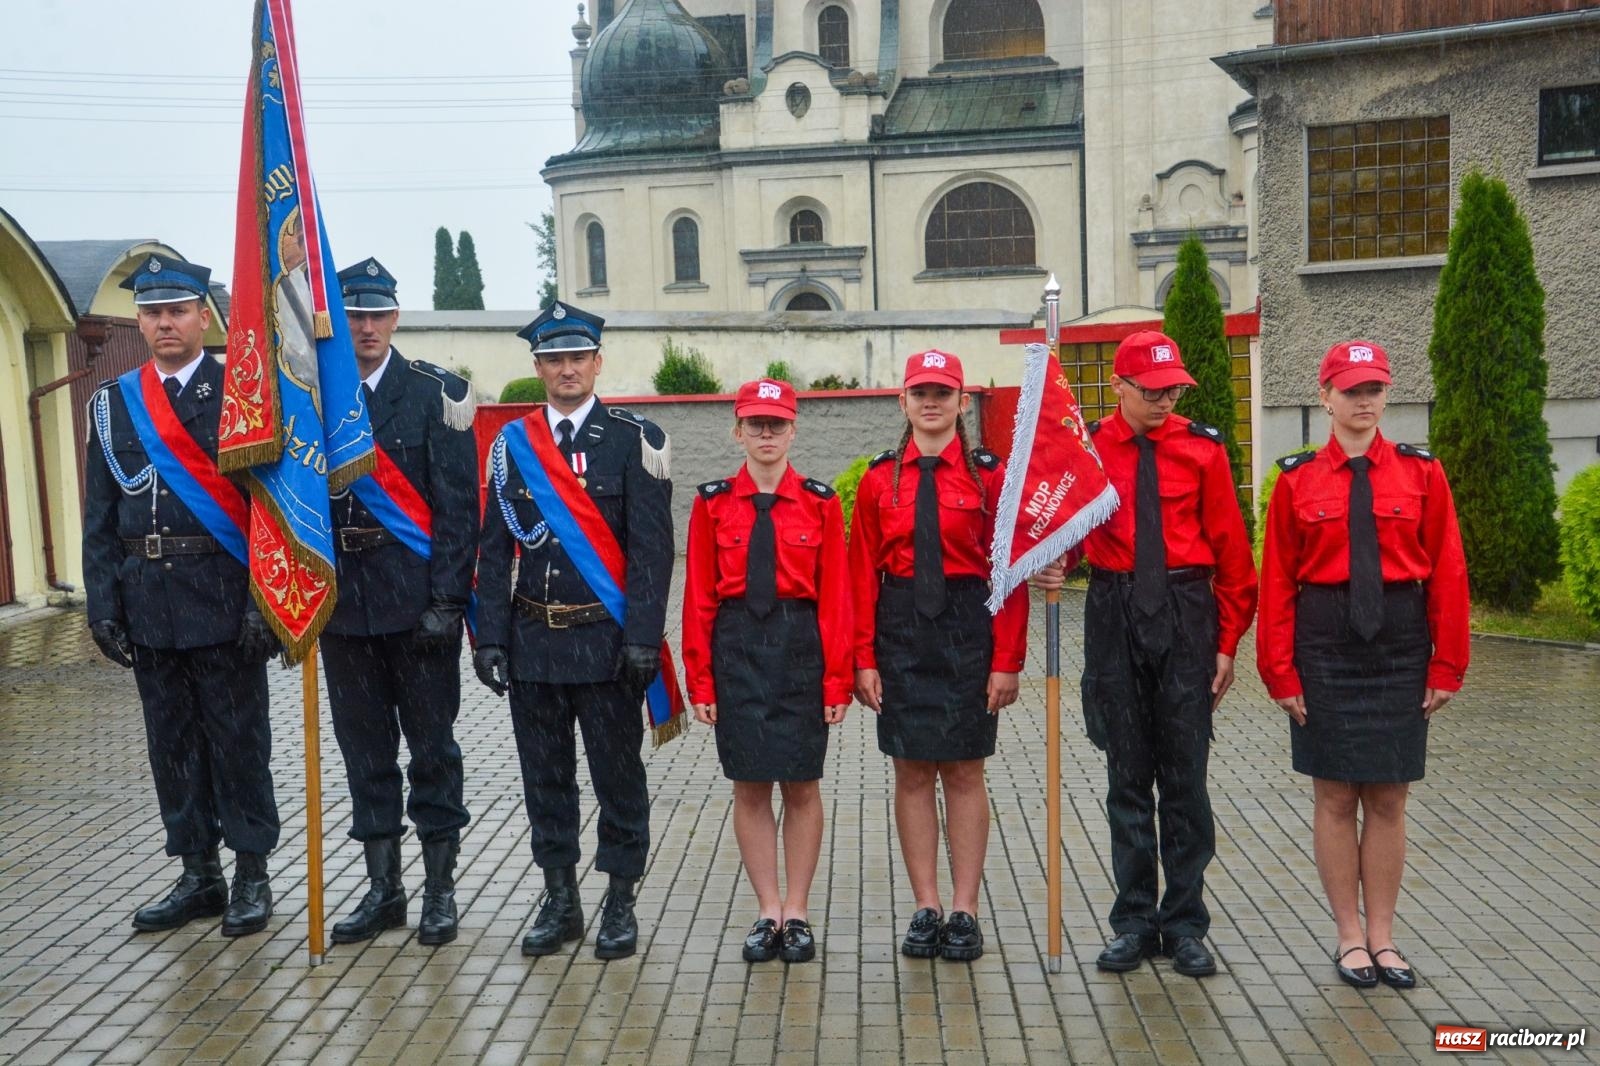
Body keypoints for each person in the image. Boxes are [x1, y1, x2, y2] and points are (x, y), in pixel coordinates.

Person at [1033, 330, 1256, 977]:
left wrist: (1227, 642)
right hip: (1115, 613)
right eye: (1152, 390)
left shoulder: (1202, 451)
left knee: (1185, 781)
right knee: (1126, 780)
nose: (1164, 400)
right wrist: (1055, 563)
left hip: (1187, 615)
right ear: (1120, 387)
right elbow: (1068, 528)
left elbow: (1235, 557)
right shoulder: (1091, 449)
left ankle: (1185, 923)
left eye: (1172, 390)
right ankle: (1133, 920)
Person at [1257, 340, 1468, 991]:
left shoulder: (1422, 474)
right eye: (1351, 389)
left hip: (1400, 644)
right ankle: (1349, 937)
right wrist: (1280, 673)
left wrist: (1447, 664)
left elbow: (1450, 573)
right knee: (1334, 794)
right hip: (1325, 642)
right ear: (1325, 396)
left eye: (1374, 388)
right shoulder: (1296, 478)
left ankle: (1384, 936)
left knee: (1388, 795)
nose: (1364, 400)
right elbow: (1278, 586)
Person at [82, 254, 281, 937]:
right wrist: (102, 603)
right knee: (171, 745)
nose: (164, 323)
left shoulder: (245, 396)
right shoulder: (113, 403)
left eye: (177, 311)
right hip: (149, 601)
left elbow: (271, 510)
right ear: (140, 320)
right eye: (153, 313)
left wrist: (266, 602)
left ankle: (252, 872)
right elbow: (100, 515)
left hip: (225, 598)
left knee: (238, 742)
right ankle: (198, 873)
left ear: (205, 316)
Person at [473, 300, 673, 960]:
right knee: (545, 779)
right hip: (535, 643)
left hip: (607, 644)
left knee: (618, 777)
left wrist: (643, 636)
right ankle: (560, 899)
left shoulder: (631, 440)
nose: (566, 369)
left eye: (577, 357)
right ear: (537, 366)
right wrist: (492, 638)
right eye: (553, 359)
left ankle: (620, 898)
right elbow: (497, 549)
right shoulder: (512, 447)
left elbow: (650, 550)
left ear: (596, 362)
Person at [849, 350, 1026, 963]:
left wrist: (1009, 658)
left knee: (966, 771)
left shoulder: (990, 476)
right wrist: (863, 657)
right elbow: (860, 576)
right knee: (912, 771)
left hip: (968, 627)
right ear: (903, 401)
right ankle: (925, 905)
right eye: (920, 391)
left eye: (943, 392)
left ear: (960, 401)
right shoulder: (877, 480)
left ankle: (965, 907)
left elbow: (1010, 574)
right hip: (899, 630)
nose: (931, 402)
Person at [320, 258, 476, 947]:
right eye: (355, 316)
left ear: (396, 317)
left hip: (417, 608)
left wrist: (448, 600)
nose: (367, 327)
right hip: (344, 609)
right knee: (365, 753)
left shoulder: (433, 395)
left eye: (378, 314)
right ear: (339, 322)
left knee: (433, 752)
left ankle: (439, 890)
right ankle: (384, 889)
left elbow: (457, 512)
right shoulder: (315, 398)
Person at [682, 378, 851, 964]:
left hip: (799, 644)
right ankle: (767, 909)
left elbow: (836, 599)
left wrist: (838, 679)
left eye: (776, 424)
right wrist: (699, 680)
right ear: (737, 430)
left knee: (802, 784)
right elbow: (699, 596)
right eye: (755, 423)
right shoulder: (709, 504)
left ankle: (798, 913)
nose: (766, 434)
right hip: (737, 647)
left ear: (793, 428)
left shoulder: (822, 503)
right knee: (749, 784)